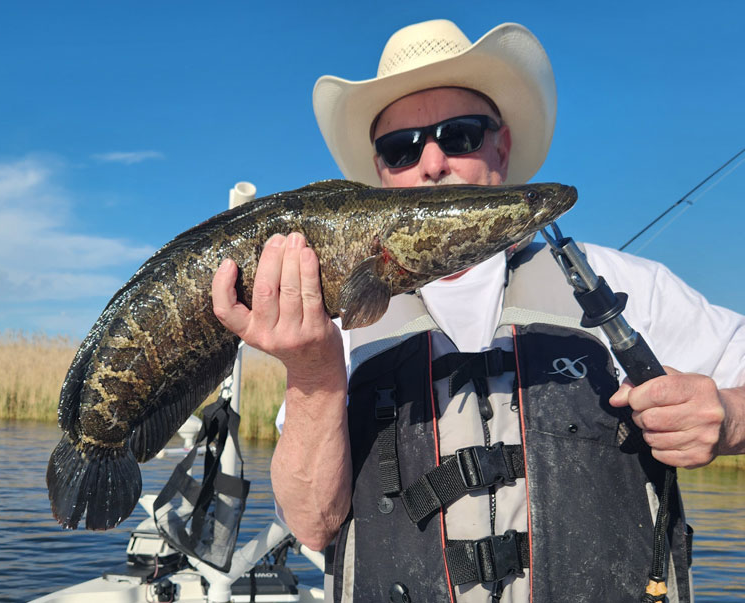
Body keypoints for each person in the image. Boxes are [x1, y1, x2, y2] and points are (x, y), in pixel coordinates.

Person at [212, 20, 745, 603]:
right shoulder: (326, 326)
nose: (433, 161)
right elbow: (313, 523)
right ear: (380, 175)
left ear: (503, 146)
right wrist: (313, 377)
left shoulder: (622, 285)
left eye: (460, 134)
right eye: (401, 148)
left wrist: (727, 415)